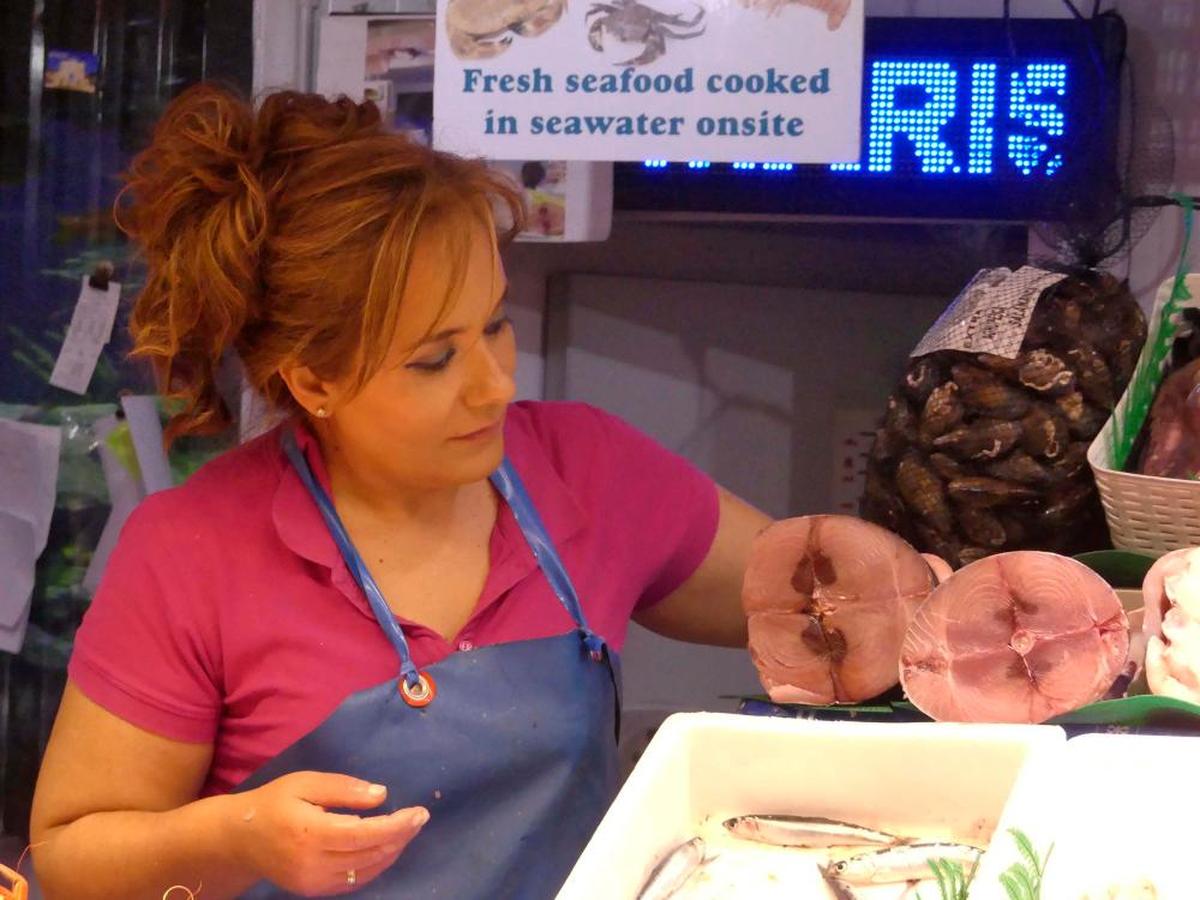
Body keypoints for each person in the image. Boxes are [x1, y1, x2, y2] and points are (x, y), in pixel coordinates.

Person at [29, 85, 770, 899]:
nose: (492, 387)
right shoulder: (190, 552)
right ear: (313, 379)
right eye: (434, 359)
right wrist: (238, 835)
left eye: (493, 324)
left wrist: (873, 581)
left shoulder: (584, 467)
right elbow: (71, 860)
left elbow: (811, 600)